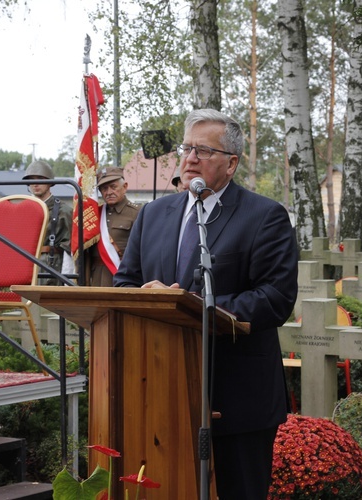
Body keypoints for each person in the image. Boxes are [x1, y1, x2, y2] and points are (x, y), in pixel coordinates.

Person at [114, 109, 298, 498]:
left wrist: (191, 304)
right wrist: (150, 299)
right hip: (161, 391)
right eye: (187, 148)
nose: (190, 158)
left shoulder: (265, 217)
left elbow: (275, 298)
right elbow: (126, 283)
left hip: (237, 397)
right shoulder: (152, 215)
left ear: (231, 164)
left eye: (203, 150)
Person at [86, 166, 140, 286]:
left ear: (124, 187)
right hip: (96, 277)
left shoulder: (137, 213)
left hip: (123, 276)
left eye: (113, 187)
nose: (109, 192)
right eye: (104, 188)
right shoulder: (94, 215)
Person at [22, 160, 72, 285]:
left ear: (50, 182)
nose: (35, 183)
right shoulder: (23, 210)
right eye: (31, 179)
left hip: (52, 267)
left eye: (40, 178)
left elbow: (71, 247)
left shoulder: (64, 211)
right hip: (26, 264)